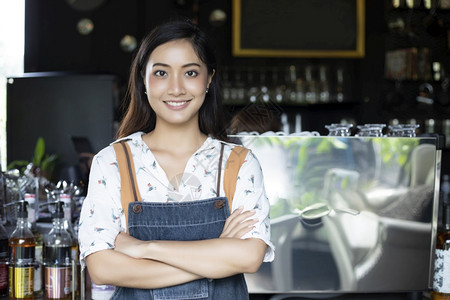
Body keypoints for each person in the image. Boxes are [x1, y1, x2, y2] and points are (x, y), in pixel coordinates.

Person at [78, 19, 274, 299]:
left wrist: (147, 249)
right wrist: (218, 254)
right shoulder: (112, 162)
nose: (176, 88)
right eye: (161, 73)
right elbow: (102, 268)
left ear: (208, 79)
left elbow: (249, 257)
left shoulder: (239, 163)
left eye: (190, 72)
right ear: (143, 81)